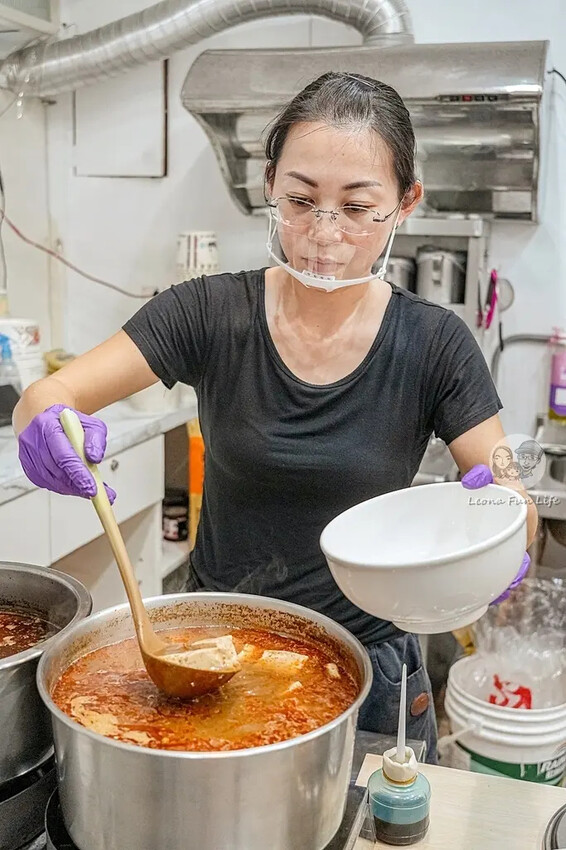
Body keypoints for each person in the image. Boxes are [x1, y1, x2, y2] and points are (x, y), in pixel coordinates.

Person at [14, 72, 537, 763]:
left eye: (357, 208)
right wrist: (45, 426)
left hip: (368, 663)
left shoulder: (434, 343)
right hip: (208, 649)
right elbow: (46, 397)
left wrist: (503, 523)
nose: (323, 236)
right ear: (269, 186)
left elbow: (511, 497)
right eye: (300, 201)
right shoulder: (209, 312)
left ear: (406, 203)